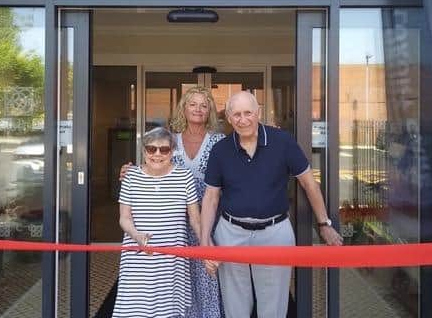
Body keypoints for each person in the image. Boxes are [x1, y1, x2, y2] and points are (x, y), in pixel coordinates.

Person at [200, 91, 343, 318]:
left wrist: (324, 223)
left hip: (275, 232)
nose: (243, 119)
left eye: (248, 113)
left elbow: (308, 183)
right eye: (236, 114)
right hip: (230, 233)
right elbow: (211, 197)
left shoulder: (282, 141)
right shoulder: (221, 150)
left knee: (273, 306)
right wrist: (205, 240)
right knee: (235, 305)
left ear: (259, 113)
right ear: (228, 118)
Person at [120, 86, 225, 318]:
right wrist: (129, 171)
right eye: (193, 104)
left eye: (204, 105)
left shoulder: (219, 141)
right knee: (174, 276)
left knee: (204, 274)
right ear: (183, 108)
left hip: (205, 217)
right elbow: (150, 166)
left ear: (210, 111)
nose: (198, 109)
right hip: (171, 220)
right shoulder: (169, 139)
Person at [113, 127, 201, 318]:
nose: (157, 154)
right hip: (138, 258)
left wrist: (208, 246)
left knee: (167, 312)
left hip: (171, 261)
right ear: (144, 151)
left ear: (172, 151)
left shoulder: (184, 177)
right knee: (134, 310)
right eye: (151, 149)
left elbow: (195, 219)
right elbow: (124, 217)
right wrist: (136, 235)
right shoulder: (131, 177)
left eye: (164, 149)